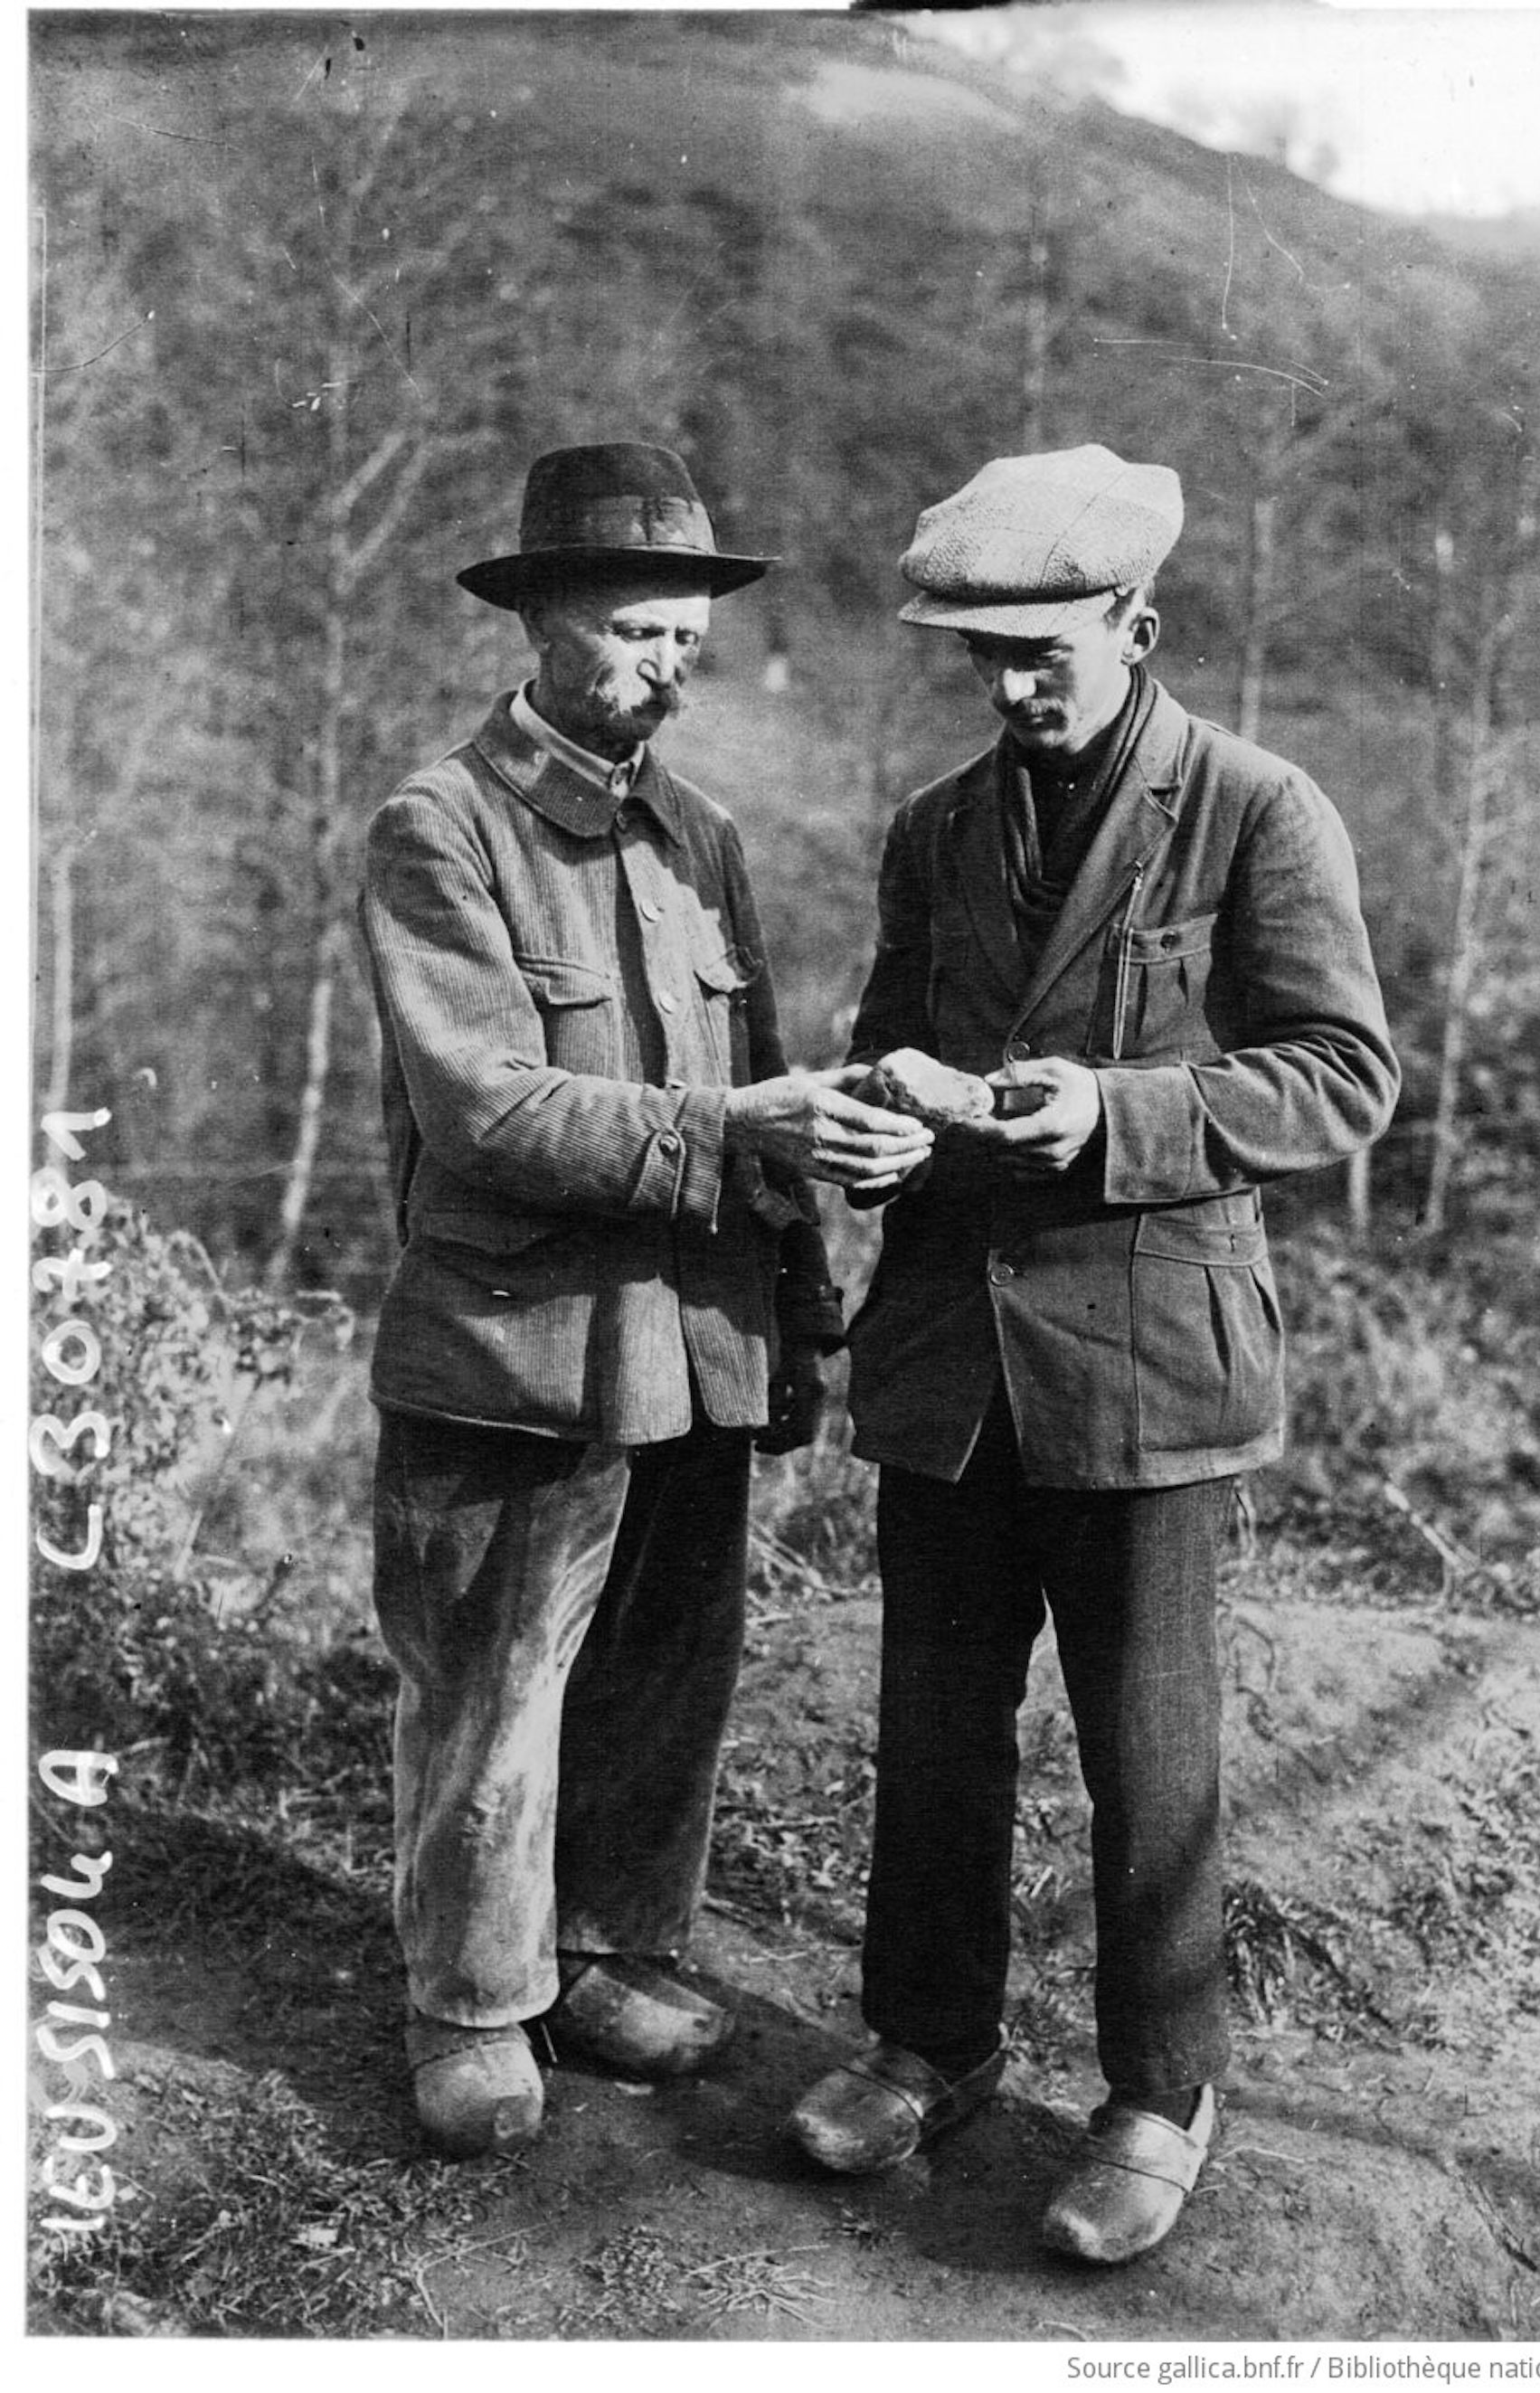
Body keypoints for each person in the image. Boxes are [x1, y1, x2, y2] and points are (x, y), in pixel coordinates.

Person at [787, 444, 1399, 2263]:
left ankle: (1160, 2090)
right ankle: (927, 2044)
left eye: (1047, 649)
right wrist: (879, 1110)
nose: (1015, 685)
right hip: (950, 1361)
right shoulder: (937, 829)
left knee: (1152, 1754)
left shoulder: (1257, 811)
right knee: (935, 1735)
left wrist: (1115, 1114)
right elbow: (891, 1028)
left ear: (1143, 623)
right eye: (986, 657)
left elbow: (1341, 1080)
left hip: (1142, 1367)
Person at [360, 442, 931, 2160]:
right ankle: (468, 2001)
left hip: (698, 1339)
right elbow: (489, 1107)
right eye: (631, 630)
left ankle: (603, 1952)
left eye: (686, 635)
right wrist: (729, 1125)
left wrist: (810, 1313)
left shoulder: (701, 835)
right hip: (515, 1347)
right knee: (494, 1676)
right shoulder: (437, 828)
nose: (667, 663)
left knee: (663, 1668)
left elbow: (758, 1086)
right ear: (537, 625)